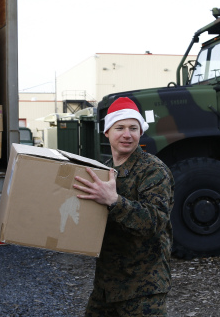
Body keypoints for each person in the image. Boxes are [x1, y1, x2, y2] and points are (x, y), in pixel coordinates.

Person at [73, 97, 174, 316]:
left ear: (141, 132)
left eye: (133, 128)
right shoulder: (102, 171)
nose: (127, 134)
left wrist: (114, 201)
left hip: (143, 288)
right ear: (107, 131)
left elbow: (154, 221)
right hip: (106, 286)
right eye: (120, 127)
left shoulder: (154, 170)